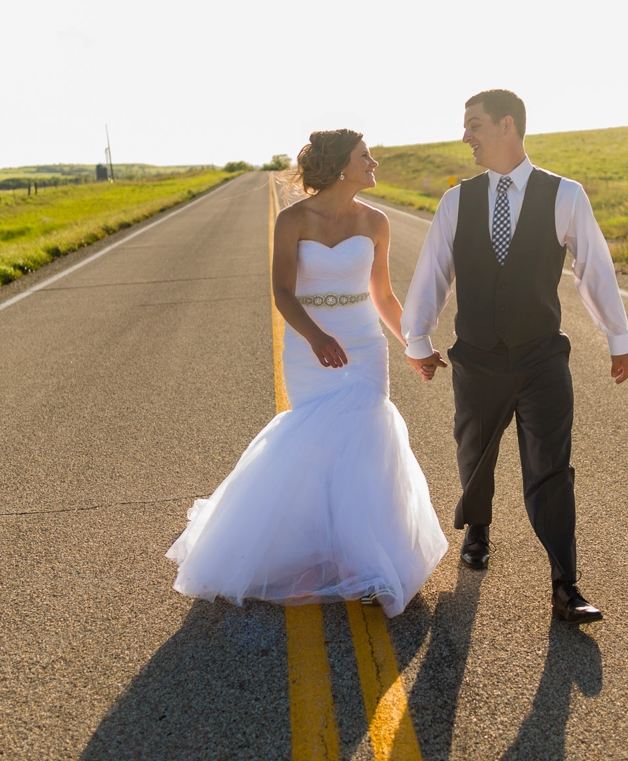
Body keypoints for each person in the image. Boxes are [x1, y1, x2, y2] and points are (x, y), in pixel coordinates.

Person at [167, 130, 447, 616]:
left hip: (363, 344)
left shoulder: (376, 222)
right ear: (342, 166)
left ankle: (363, 559)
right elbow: (282, 291)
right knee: (317, 445)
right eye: (365, 156)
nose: (374, 162)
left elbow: (382, 296)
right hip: (308, 345)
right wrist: (316, 336)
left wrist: (415, 346)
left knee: (366, 441)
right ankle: (317, 550)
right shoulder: (293, 219)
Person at [402, 90, 628, 624]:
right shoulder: (456, 200)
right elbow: (434, 272)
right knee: (475, 453)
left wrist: (616, 337)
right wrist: (418, 339)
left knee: (551, 470)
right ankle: (478, 529)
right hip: (477, 358)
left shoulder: (565, 194)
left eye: (475, 125)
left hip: (541, 359)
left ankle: (565, 585)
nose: (467, 137)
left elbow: (593, 268)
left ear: (508, 125)